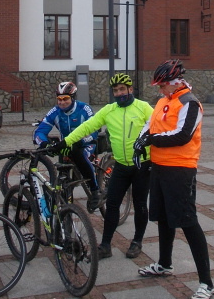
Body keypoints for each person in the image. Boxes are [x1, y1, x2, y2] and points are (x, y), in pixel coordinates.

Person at [133, 59, 214, 299]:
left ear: (176, 82)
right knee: (164, 218)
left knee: (188, 222)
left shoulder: (191, 104)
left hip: (181, 170)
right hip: (159, 167)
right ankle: (165, 264)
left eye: (163, 85)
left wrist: (151, 140)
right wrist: (140, 141)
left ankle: (206, 283)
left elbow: (182, 135)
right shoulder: (162, 101)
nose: (160, 90)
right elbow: (150, 126)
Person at [55, 73, 153, 259]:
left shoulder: (144, 108)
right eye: (115, 90)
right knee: (113, 204)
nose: (119, 93)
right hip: (121, 166)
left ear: (130, 89)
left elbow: (158, 128)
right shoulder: (109, 110)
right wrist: (66, 142)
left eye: (122, 89)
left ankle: (137, 241)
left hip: (142, 165)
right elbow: (86, 127)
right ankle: (105, 245)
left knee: (140, 205)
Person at [33, 81, 102, 211]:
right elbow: (39, 132)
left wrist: (81, 142)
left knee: (80, 155)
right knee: (63, 170)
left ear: (73, 98)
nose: (61, 102)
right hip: (65, 146)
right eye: (59, 99)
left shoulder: (84, 109)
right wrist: (44, 143)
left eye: (65, 99)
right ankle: (65, 202)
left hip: (85, 144)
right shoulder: (55, 111)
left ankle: (94, 191)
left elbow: (94, 131)